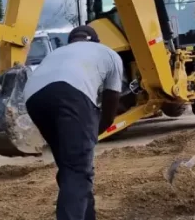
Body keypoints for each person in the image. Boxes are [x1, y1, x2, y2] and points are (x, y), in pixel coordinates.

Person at [23, 25, 125, 220]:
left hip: (34, 98)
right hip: (71, 93)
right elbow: (110, 109)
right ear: (96, 42)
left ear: (71, 42)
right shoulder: (109, 54)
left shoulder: (58, 52)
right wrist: (92, 135)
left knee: (70, 166)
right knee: (78, 169)